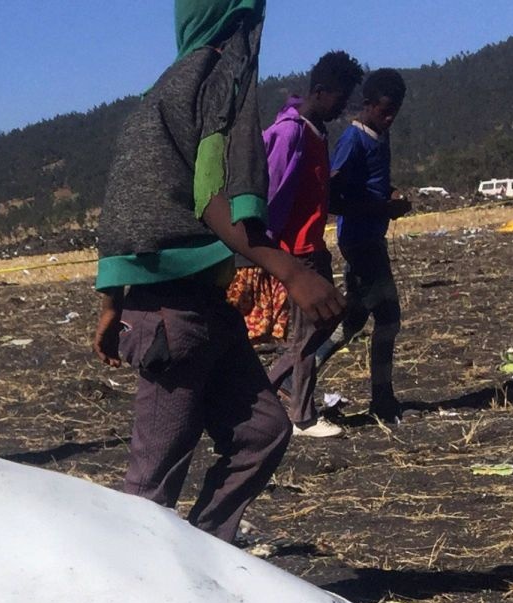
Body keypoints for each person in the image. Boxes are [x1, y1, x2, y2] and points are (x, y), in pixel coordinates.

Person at [91, 0, 342, 545]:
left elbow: (124, 211)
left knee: (263, 432)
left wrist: (110, 308)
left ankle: (206, 555)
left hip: (205, 307)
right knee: (152, 482)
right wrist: (290, 270)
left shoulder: (161, 94)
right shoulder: (217, 81)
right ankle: (133, 594)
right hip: (170, 317)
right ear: (240, 24)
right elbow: (212, 197)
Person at [262, 50, 365, 439]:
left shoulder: (316, 130)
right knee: (309, 334)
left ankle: (275, 390)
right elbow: (271, 190)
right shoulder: (291, 132)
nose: (343, 107)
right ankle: (300, 416)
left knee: (323, 323)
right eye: (341, 97)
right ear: (321, 92)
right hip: (296, 249)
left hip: (313, 243)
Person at [317, 68, 412, 424]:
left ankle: (298, 374)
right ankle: (382, 398)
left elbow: (372, 184)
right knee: (388, 318)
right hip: (359, 241)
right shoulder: (353, 140)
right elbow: (332, 195)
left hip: (372, 237)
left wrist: (391, 196)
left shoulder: (379, 136)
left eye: (394, 113)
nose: (389, 119)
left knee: (355, 321)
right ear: (368, 105)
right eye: (384, 111)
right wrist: (380, 207)